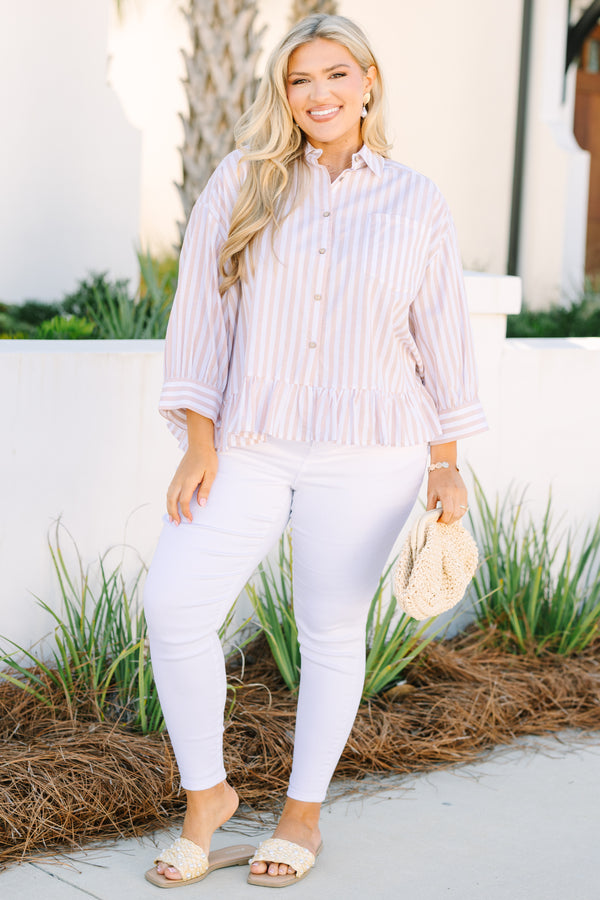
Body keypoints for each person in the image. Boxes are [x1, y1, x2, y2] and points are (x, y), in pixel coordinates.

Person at [143, 12, 487, 890]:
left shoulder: (416, 200)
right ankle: (207, 797)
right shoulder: (244, 181)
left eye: (336, 74)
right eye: (301, 80)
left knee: (331, 629)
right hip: (250, 443)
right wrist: (198, 439)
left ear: (369, 81)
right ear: (282, 94)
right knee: (176, 606)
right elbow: (202, 313)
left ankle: (302, 817)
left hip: (374, 450)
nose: (319, 94)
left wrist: (445, 462)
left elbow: (440, 338)